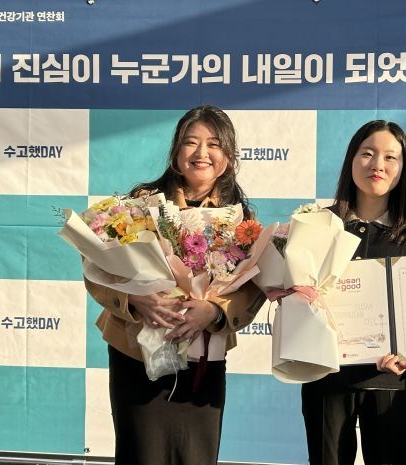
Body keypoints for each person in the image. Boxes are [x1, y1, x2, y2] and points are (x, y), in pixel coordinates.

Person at [84, 105, 266, 465]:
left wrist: (213, 311)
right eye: (190, 142)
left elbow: (252, 289)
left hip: (204, 358)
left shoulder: (242, 219)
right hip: (137, 354)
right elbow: (98, 267)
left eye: (214, 144)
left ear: (229, 157)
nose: (202, 153)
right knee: (142, 454)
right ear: (176, 152)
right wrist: (135, 299)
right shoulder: (140, 205)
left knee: (196, 456)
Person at [301, 120, 406, 465]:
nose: (378, 165)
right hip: (327, 378)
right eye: (367, 153)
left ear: (403, 169)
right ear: (351, 159)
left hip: (392, 383)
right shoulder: (316, 226)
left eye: (391, 157)